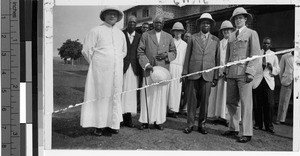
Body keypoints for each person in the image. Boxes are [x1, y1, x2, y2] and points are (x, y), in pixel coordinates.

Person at [80, 6, 127, 136]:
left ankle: (113, 124)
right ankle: (99, 125)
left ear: (118, 18)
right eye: (109, 14)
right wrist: (97, 63)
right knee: (100, 96)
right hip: (100, 71)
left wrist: (115, 61)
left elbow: (123, 52)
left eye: (115, 14)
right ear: (104, 16)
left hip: (116, 71)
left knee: (115, 95)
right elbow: (86, 50)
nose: (112, 16)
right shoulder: (96, 31)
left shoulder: (120, 34)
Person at [222, 7, 261, 143]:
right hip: (232, 73)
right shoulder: (231, 36)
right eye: (236, 18)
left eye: (240, 18)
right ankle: (233, 128)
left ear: (245, 19)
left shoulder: (252, 33)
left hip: (244, 74)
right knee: (231, 102)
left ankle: (246, 132)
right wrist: (226, 71)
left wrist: (250, 72)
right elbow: (228, 55)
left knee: (246, 103)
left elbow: (255, 54)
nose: (238, 20)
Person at [182, 13, 220, 135]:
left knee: (205, 101)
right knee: (192, 101)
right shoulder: (192, 38)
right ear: (200, 25)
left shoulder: (216, 40)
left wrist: (215, 76)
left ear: (210, 26)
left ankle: (202, 125)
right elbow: (187, 56)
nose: (205, 25)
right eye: (203, 23)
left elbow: (217, 60)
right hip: (193, 73)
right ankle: (190, 125)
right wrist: (185, 73)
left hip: (208, 75)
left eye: (208, 23)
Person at [137, 15, 177, 130]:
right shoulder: (146, 35)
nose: (158, 24)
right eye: (156, 22)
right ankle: (145, 121)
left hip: (163, 72)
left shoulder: (169, 37)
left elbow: (174, 53)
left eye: (160, 23)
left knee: (160, 96)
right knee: (148, 95)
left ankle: (158, 121)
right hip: (149, 71)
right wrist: (146, 64)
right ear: (153, 24)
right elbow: (140, 51)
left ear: (163, 24)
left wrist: (166, 55)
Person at [207, 20, 235, 126]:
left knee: (228, 96)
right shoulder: (220, 42)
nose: (226, 32)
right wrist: (218, 70)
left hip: (229, 72)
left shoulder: (234, 41)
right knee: (218, 94)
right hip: (219, 72)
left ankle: (227, 118)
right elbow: (217, 58)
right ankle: (218, 115)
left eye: (228, 30)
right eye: (224, 30)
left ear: (232, 30)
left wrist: (227, 71)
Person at [252, 37, 280, 134]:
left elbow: (278, 69)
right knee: (257, 104)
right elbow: (253, 65)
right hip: (258, 80)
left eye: (268, 43)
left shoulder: (273, 55)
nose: (266, 45)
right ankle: (258, 124)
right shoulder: (257, 53)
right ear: (261, 43)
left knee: (269, 104)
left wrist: (271, 68)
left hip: (268, 81)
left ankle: (269, 126)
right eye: (264, 43)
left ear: (270, 45)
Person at [121, 15, 142, 128]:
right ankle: (119, 118)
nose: (132, 24)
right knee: (121, 92)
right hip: (122, 68)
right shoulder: (121, 34)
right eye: (130, 22)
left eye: (134, 23)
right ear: (127, 24)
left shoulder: (139, 36)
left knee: (131, 93)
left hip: (134, 69)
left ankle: (128, 119)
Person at [167, 22, 187, 118]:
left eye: (180, 31)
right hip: (170, 66)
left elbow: (185, 59)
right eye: (176, 31)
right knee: (168, 88)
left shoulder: (185, 44)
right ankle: (167, 109)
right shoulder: (170, 41)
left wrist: (183, 72)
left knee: (177, 89)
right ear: (173, 32)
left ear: (182, 32)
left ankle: (174, 110)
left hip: (179, 68)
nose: (178, 33)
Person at [275, 50, 294, 124]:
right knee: (283, 101)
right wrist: (282, 79)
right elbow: (281, 69)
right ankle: (280, 119)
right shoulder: (285, 56)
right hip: (287, 80)